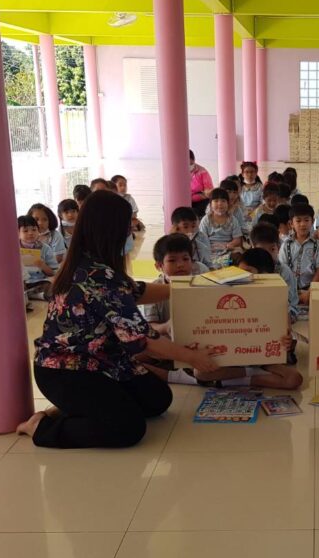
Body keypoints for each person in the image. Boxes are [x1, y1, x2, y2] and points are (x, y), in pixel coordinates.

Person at [21, 190, 220, 448]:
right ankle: (41, 427)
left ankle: (78, 408)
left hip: (103, 360)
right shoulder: (96, 276)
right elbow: (143, 340)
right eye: (126, 228)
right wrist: (193, 357)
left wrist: (190, 287)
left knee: (157, 400)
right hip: (66, 369)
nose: (130, 234)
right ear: (111, 231)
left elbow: (136, 291)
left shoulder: (98, 266)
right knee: (127, 428)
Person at [281, 202, 319, 306]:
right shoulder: (286, 245)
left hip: (309, 290)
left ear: (313, 221)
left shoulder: (317, 245)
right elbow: (282, 268)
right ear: (291, 224)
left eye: (306, 220)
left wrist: (310, 291)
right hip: (288, 290)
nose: (303, 224)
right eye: (298, 221)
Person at [199, 188, 243, 257]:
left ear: (228, 204)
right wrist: (209, 248)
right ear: (210, 205)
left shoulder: (232, 220)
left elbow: (237, 239)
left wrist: (229, 245)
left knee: (238, 254)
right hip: (210, 250)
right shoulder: (206, 220)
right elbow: (202, 238)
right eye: (216, 201)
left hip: (228, 249)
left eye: (223, 201)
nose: (220, 204)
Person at [169, 206, 213, 270]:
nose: (191, 230)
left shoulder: (201, 247)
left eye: (193, 226)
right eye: (185, 227)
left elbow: (209, 265)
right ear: (176, 228)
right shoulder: (167, 246)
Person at [189, 149, 214, 215]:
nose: (189, 166)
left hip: (200, 201)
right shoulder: (178, 173)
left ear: (194, 160)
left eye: (191, 164)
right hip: (184, 199)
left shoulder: (202, 171)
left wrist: (203, 195)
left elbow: (208, 192)